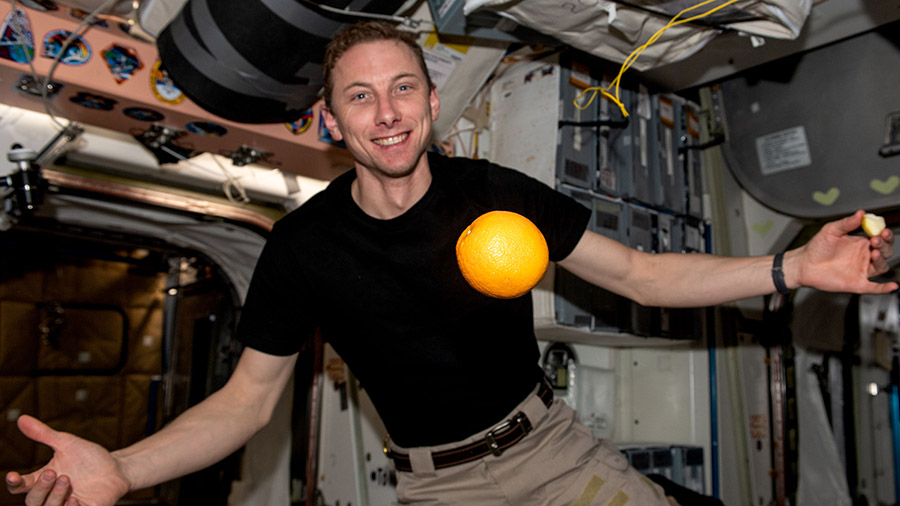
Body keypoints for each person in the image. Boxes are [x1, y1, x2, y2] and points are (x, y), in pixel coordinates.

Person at [5, 20, 896, 506]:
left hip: (554, 450)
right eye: (360, 96)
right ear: (332, 123)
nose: (386, 112)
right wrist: (125, 469)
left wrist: (791, 272)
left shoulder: (496, 193)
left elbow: (642, 275)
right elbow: (248, 401)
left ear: (432, 103)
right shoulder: (301, 250)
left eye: (402, 89)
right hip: (442, 488)